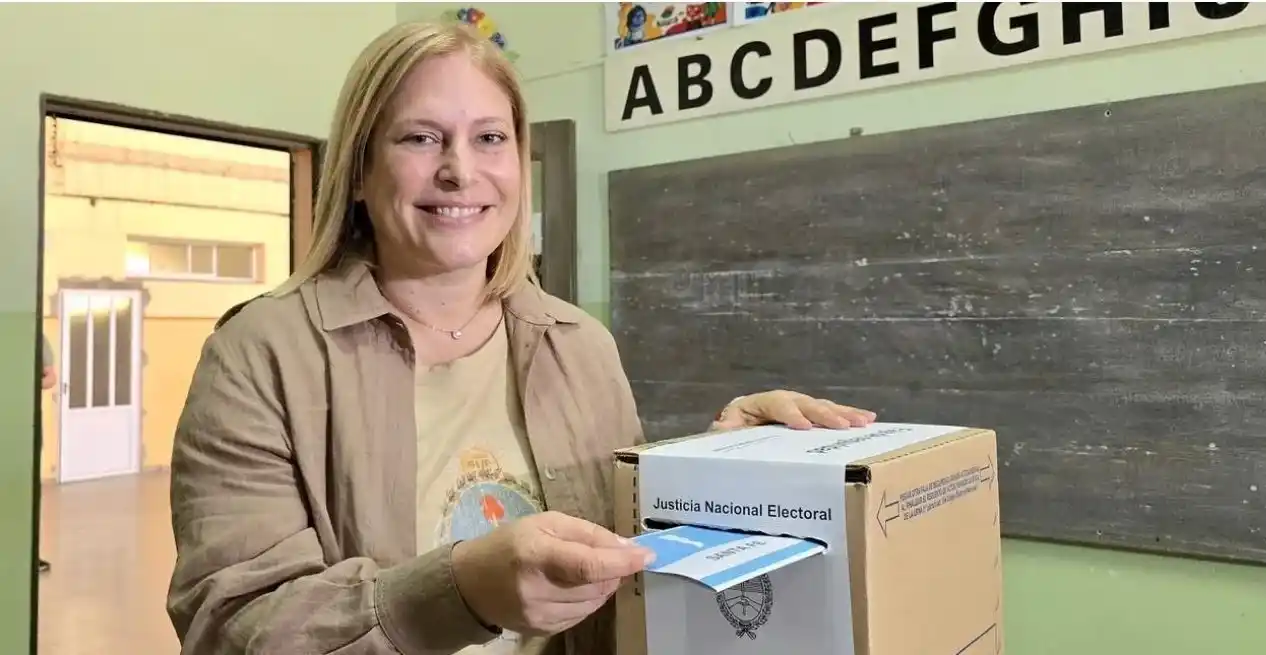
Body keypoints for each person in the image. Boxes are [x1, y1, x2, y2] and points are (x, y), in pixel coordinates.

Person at [165, 20, 877, 655]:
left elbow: (624, 552)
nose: (460, 170)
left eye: (490, 138)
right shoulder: (260, 354)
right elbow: (231, 626)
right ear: (359, 170)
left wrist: (723, 464)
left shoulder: (580, 344)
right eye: (420, 137)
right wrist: (459, 591)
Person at [37, 333, 55, 575]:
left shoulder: (37, 337)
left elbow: (50, 377)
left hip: (25, 428)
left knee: (25, 492)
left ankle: (28, 553)